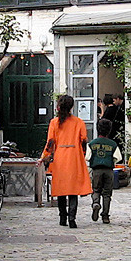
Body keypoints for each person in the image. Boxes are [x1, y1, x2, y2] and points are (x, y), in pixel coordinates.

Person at [39, 94, 92, 228]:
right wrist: (83, 154)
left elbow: (50, 143)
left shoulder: (54, 123)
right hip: (74, 156)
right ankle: (72, 218)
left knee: (61, 188)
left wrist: (44, 157)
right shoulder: (79, 122)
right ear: (71, 107)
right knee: (73, 189)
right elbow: (84, 140)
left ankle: (63, 217)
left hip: (61, 157)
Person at [86, 119, 123, 224]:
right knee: (107, 194)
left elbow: (87, 157)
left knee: (96, 190)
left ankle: (95, 203)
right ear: (109, 130)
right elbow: (118, 157)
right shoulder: (112, 144)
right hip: (109, 170)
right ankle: (105, 216)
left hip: (96, 170)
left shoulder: (92, 144)